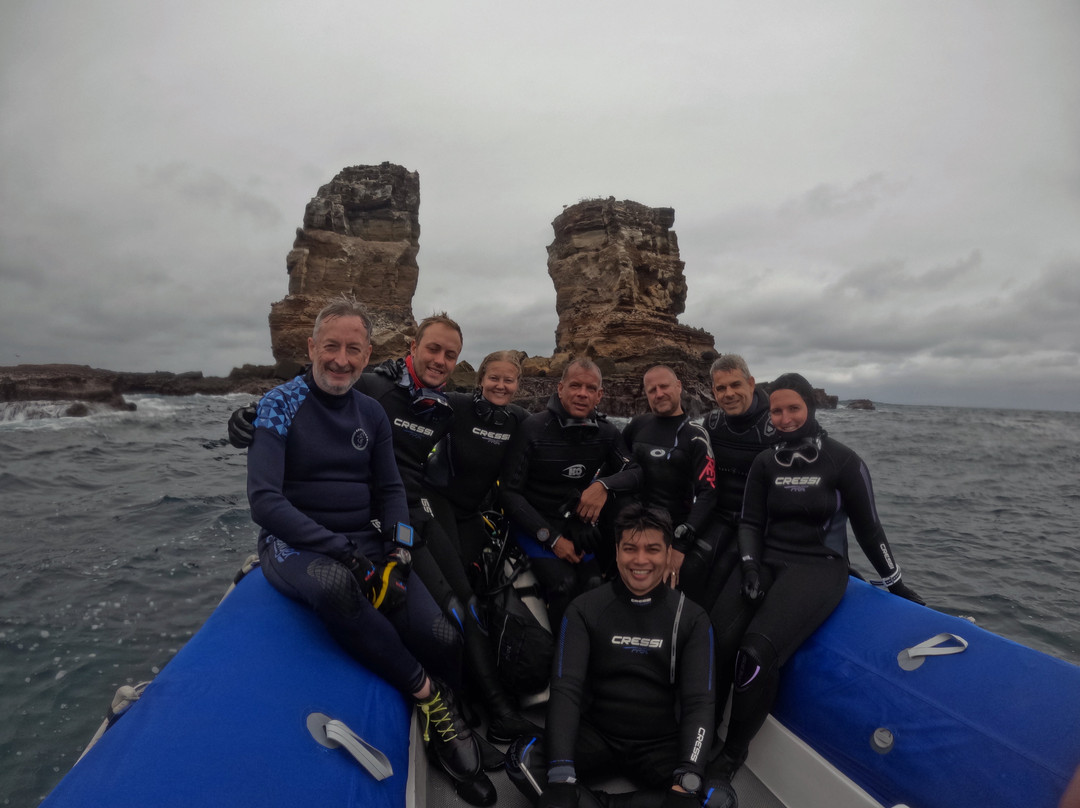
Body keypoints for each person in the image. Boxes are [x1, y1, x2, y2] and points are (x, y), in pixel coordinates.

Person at [244, 297, 494, 805]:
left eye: (352, 349)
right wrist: (346, 555)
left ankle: (445, 713)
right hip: (293, 545)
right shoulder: (278, 404)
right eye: (330, 346)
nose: (341, 359)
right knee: (337, 586)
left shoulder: (373, 412)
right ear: (311, 346)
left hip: (365, 542)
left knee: (445, 635)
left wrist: (398, 555)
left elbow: (390, 491)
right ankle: (428, 698)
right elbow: (265, 502)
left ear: (367, 354)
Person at [707, 372, 924, 781]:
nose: (785, 418)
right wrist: (750, 565)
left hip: (818, 567)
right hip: (767, 560)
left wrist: (895, 583)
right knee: (714, 637)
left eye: (794, 409)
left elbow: (869, 528)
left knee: (754, 656)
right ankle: (704, 731)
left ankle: (733, 754)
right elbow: (750, 522)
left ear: (809, 407)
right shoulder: (765, 461)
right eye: (777, 410)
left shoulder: (843, 460)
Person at [505, 503, 732, 808]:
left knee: (717, 799)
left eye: (652, 549)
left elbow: (699, 703)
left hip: (660, 745)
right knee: (521, 757)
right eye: (630, 549)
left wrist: (686, 779)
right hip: (597, 736)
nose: (640, 560)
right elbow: (566, 690)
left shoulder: (692, 618)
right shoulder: (584, 609)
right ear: (616, 551)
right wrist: (560, 774)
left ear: (668, 554)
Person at [421, 350, 542, 742]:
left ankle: (479, 687)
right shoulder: (455, 406)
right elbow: (401, 414)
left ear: (518, 385)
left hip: (472, 514)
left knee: (485, 594)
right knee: (462, 599)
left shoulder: (518, 420)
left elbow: (553, 435)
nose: (501, 386)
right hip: (435, 504)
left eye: (509, 381)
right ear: (481, 380)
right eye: (494, 379)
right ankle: (496, 710)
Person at [499, 358, 642, 630]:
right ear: (560, 388)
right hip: (532, 524)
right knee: (563, 585)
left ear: (600, 395)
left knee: (593, 584)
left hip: (573, 523)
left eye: (590, 388)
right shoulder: (533, 429)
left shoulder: (606, 433)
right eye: (575, 385)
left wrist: (603, 486)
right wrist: (551, 539)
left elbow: (634, 472)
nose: (582, 393)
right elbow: (509, 493)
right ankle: (557, 660)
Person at [621, 365, 719, 604]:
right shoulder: (637, 425)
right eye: (651, 389)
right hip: (635, 525)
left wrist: (680, 546)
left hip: (674, 528)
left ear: (678, 387)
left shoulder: (695, 435)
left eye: (664, 386)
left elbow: (708, 492)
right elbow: (617, 467)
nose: (659, 393)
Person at [697, 354, 780, 607]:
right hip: (720, 517)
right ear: (713, 391)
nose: (728, 394)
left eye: (735, 385)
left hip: (759, 525)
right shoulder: (711, 424)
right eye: (721, 388)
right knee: (693, 566)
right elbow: (700, 477)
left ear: (751, 383)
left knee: (727, 574)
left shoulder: (775, 425)